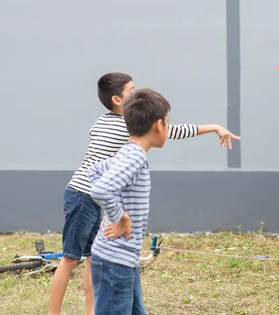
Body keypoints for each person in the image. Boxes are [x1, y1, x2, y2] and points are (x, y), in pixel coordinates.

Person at [48, 73, 239, 315]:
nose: (136, 94)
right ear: (118, 100)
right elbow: (173, 131)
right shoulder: (122, 129)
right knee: (70, 258)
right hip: (83, 196)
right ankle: (53, 312)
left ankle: (92, 310)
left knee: (91, 258)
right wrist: (213, 128)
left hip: (92, 196)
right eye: (132, 91)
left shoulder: (103, 121)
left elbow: (97, 168)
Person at [90, 88, 170, 314]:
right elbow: (101, 188)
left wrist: (113, 213)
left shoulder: (128, 152)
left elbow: (95, 171)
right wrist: (120, 217)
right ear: (158, 125)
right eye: (167, 121)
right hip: (115, 262)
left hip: (121, 260)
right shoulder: (135, 157)